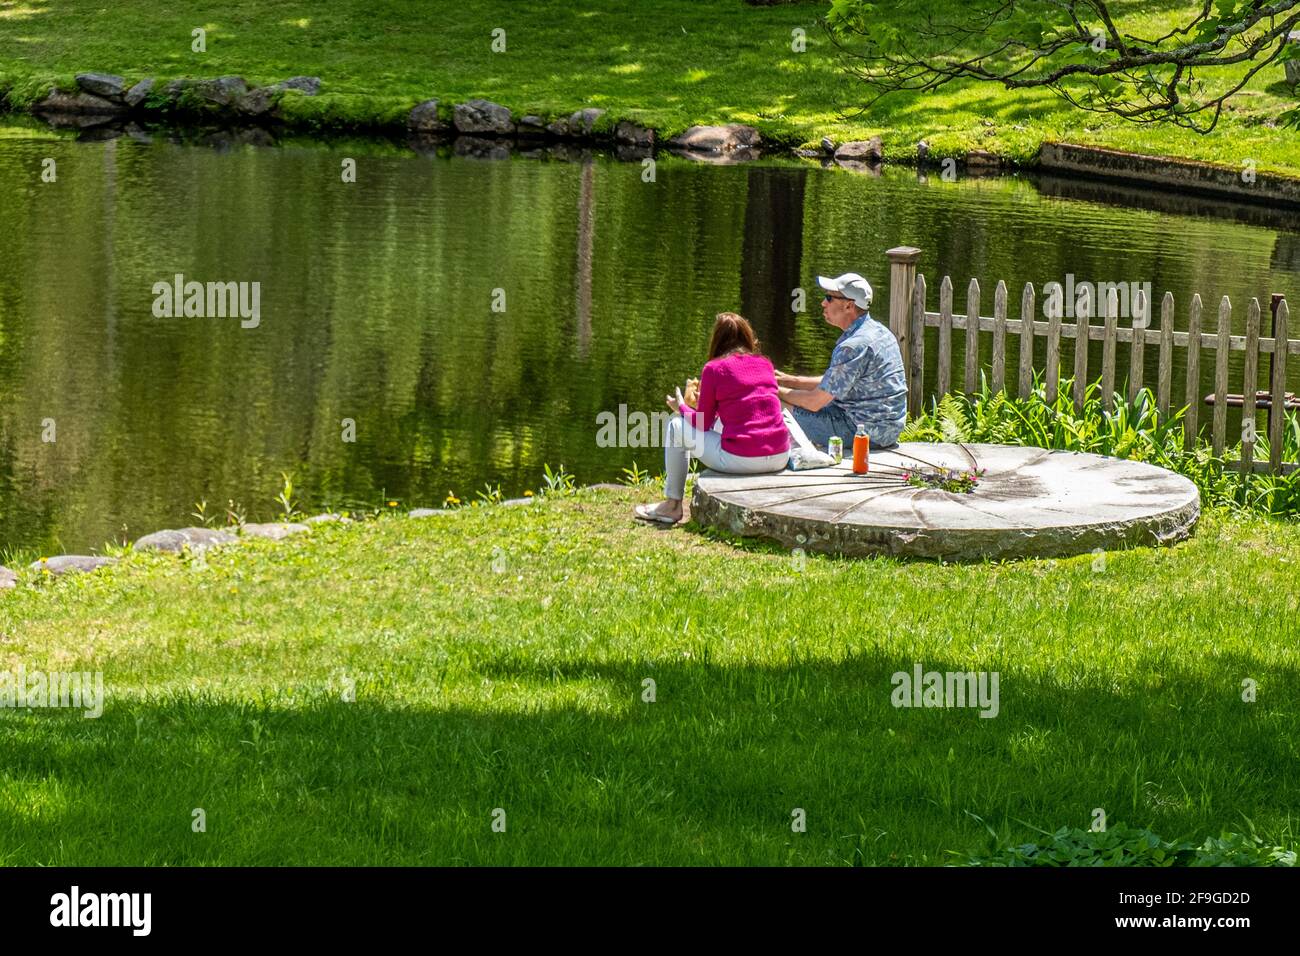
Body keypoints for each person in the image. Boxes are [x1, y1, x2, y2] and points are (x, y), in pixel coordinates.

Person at [634, 312, 790, 525]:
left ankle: (672, 506)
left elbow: (702, 423)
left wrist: (680, 406)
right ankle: (671, 505)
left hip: (742, 459)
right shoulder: (765, 364)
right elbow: (740, 408)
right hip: (780, 455)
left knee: (676, 426)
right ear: (747, 337)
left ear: (716, 340)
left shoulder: (714, 369)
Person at [777, 272, 907, 451]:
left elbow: (815, 401)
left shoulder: (853, 346)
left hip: (862, 432)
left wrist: (772, 389)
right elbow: (837, 381)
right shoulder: (880, 333)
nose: (823, 303)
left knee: (772, 405)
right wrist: (788, 380)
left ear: (849, 305)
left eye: (829, 298)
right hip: (887, 429)